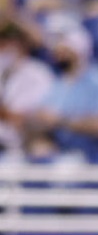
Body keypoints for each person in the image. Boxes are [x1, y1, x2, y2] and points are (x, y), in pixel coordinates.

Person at [23, 24, 98, 157]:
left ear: (77, 51)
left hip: (91, 152)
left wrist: (61, 120)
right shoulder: (57, 83)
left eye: (64, 50)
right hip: (58, 151)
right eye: (57, 50)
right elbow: (41, 115)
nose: (58, 55)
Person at [0, 20, 53, 151]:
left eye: (12, 42)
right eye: (4, 41)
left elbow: (26, 118)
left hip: (23, 144)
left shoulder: (39, 74)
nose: (6, 47)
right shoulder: (2, 67)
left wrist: (5, 113)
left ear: (24, 44)